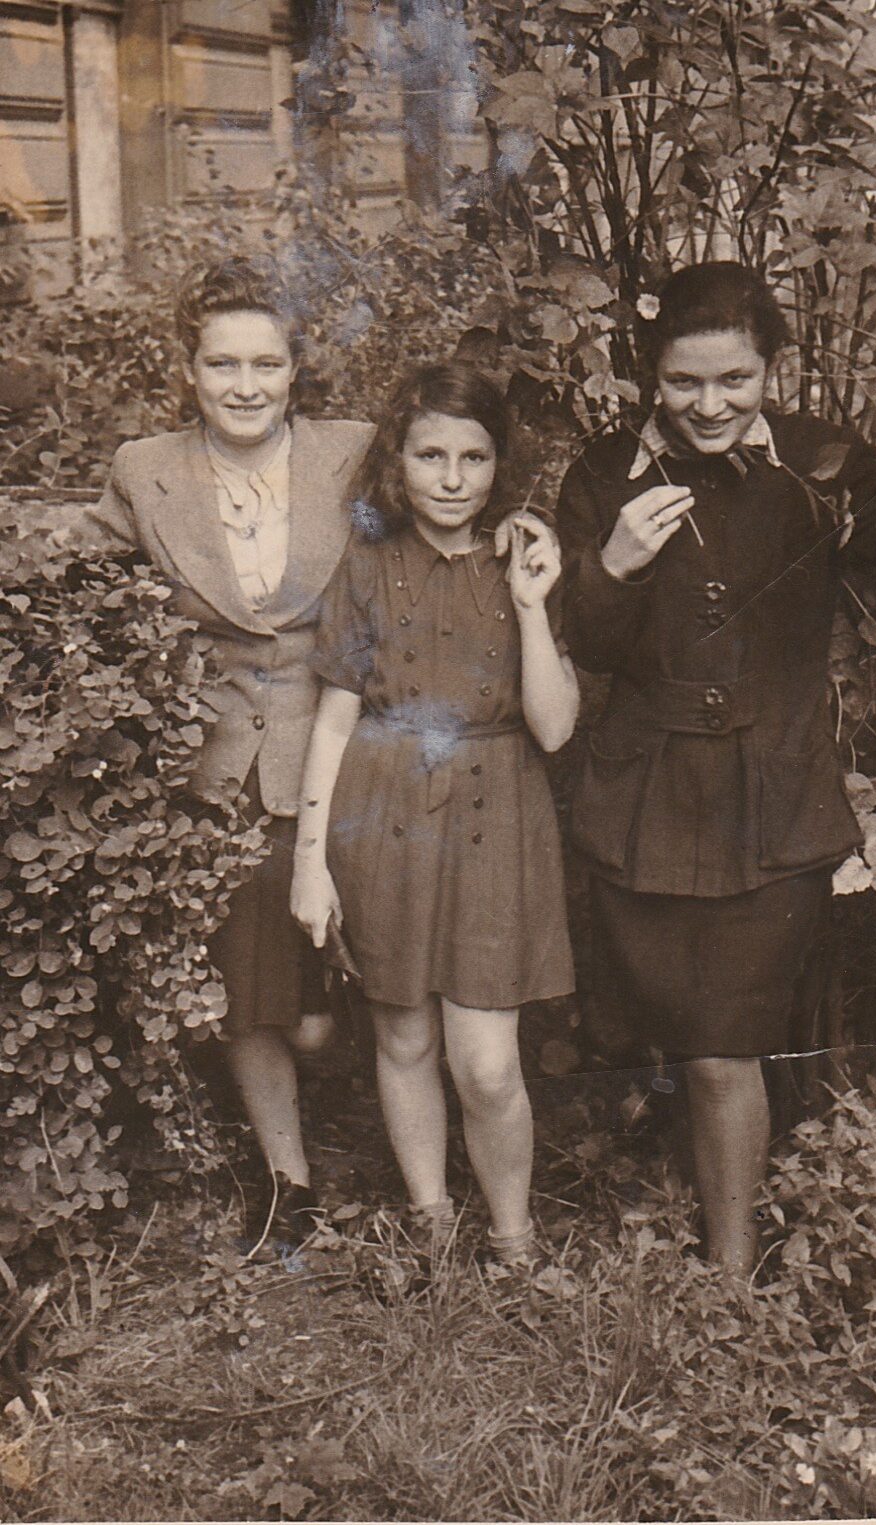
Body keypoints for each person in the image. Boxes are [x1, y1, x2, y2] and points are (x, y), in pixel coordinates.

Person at [556, 261, 876, 1276]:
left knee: (725, 1043)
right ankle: (698, 1211)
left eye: (736, 381)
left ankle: (732, 1272)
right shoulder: (603, 472)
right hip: (646, 794)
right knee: (662, 1032)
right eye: (683, 384)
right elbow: (578, 643)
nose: (710, 406)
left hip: (775, 793)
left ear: (772, 370)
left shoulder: (832, 464)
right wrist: (610, 562)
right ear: (648, 376)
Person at [69, 254, 376, 1247]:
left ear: (297, 369)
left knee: (332, 1005)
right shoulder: (145, 470)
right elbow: (76, 569)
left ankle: (399, 1146)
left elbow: (456, 514)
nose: (245, 385)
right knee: (251, 994)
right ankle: (291, 1184)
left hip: (353, 749)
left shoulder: (355, 454)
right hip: (225, 761)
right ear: (189, 370)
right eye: (221, 364)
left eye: (266, 363)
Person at [291, 361, 578, 1265]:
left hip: (499, 816)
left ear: (501, 464)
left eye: (475, 457)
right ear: (397, 459)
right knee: (405, 1032)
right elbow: (334, 720)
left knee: (488, 1062)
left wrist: (532, 606)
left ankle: (515, 1242)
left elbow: (556, 726)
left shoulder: (524, 560)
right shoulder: (369, 563)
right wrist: (309, 861)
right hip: (383, 815)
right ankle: (431, 1224)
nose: (452, 479)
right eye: (430, 455)